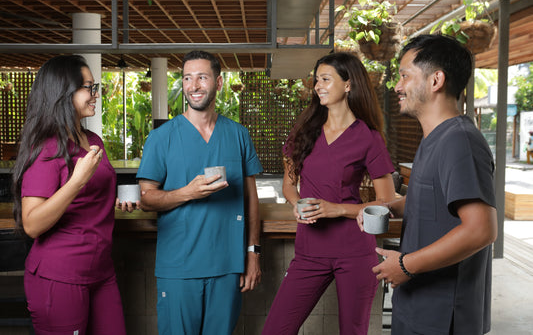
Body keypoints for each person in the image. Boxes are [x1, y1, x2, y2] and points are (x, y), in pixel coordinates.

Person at [364, 34, 498, 335]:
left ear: (436, 80)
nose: (397, 86)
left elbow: (482, 229)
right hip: (416, 306)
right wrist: (389, 207)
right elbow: (435, 203)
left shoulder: (459, 141)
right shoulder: (433, 138)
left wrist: (406, 265)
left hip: (442, 316)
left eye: (404, 76)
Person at [262, 52, 396, 335]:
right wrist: (297, 204)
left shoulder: (368, 137)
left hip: (356, 251)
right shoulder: (303, 130)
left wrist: (336, 209)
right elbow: (289, 184)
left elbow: (387, 200)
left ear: (348, 85)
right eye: (316, 80)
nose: (318, 85)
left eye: (326, 79)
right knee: (276, 330)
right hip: (310, 251)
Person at [137, 50, 263, 335]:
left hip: (228, 265)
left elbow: (251, 199)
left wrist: (253, 253)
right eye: (187, 78)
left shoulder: (238, 134)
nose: (193, 86)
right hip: (179, 267)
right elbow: (147, 198)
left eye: (202, 78)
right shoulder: (161, 137)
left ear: (218, 83)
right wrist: (187, 193)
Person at [12, 55, 135, 335]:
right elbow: (31, 224)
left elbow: (90, 197)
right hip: (60, 276)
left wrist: (111, 201)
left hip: (101, 271)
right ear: (63, 94)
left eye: (95, 86)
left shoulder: (92, 140)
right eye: (88, 88)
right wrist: (76, 182)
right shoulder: (47, 147)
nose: (96, 94)